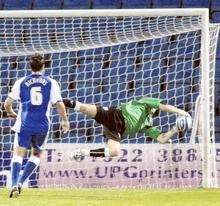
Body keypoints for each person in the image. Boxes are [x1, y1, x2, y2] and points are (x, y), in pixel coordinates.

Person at [4, 53, 70, 198]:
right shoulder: (51, 82)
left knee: (18, 154)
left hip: (24, 124)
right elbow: (59, 103)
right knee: (36, 154)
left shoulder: (21, 81)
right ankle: (21, 182)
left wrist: (10, 113)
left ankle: (14, 183)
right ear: (44, 66)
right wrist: (64, 120)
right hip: (42, 125)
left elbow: (7, 103)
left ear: (30, 66)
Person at [63, 97, 191, 160]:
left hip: (117, 131)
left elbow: (162, 139)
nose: (157, 107)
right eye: (157, 105)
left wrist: (175, 129)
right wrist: (181, 112)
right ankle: (60, 102)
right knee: (85, 109)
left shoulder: (147, 125)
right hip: (114, 116)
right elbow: (164, 107)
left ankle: (82, 153)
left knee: (114, 152)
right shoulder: (145, 102)